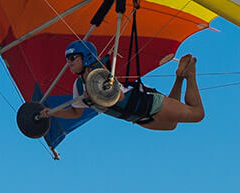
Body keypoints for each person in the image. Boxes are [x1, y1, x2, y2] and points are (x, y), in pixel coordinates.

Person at [38, 41, 204, 131]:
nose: (70, 62)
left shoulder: (100, 74)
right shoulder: (79, 86)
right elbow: (75, 112)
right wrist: (52, 113)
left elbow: (120, 96)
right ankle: (179, 77)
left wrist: (98, 93)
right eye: (68, 59)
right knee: (171, 124)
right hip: (139, 117)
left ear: (85, 57)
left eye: (73, 57)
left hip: (148, 105)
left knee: (197, 114)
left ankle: (189, 75)